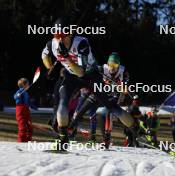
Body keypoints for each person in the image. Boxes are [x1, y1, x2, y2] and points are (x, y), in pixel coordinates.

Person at [41, 17, 134, 150]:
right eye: (57, 35)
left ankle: (135, 129)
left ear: (69, 34)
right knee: (63, 101)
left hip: (90, 75)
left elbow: (81, 73)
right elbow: (44, 54)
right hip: (70, 75)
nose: (59, 39)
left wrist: (67, 58)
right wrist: (49, 66)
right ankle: (63, 138)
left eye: (62, 35)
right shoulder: (53, 44)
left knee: (111, 107)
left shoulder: (81, 43)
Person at [14, 78, 36, 142]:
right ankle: (21, 140)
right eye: (27, 84)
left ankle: (28, 139)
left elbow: (28, 102)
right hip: (20, 111)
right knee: (22, 127)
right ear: (24, 85)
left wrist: (32, 106)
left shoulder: (26, 93)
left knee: (30, 126)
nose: (29, 86)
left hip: (26, 110)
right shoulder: (19, 92)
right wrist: (17, 95)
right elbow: (15, 97)